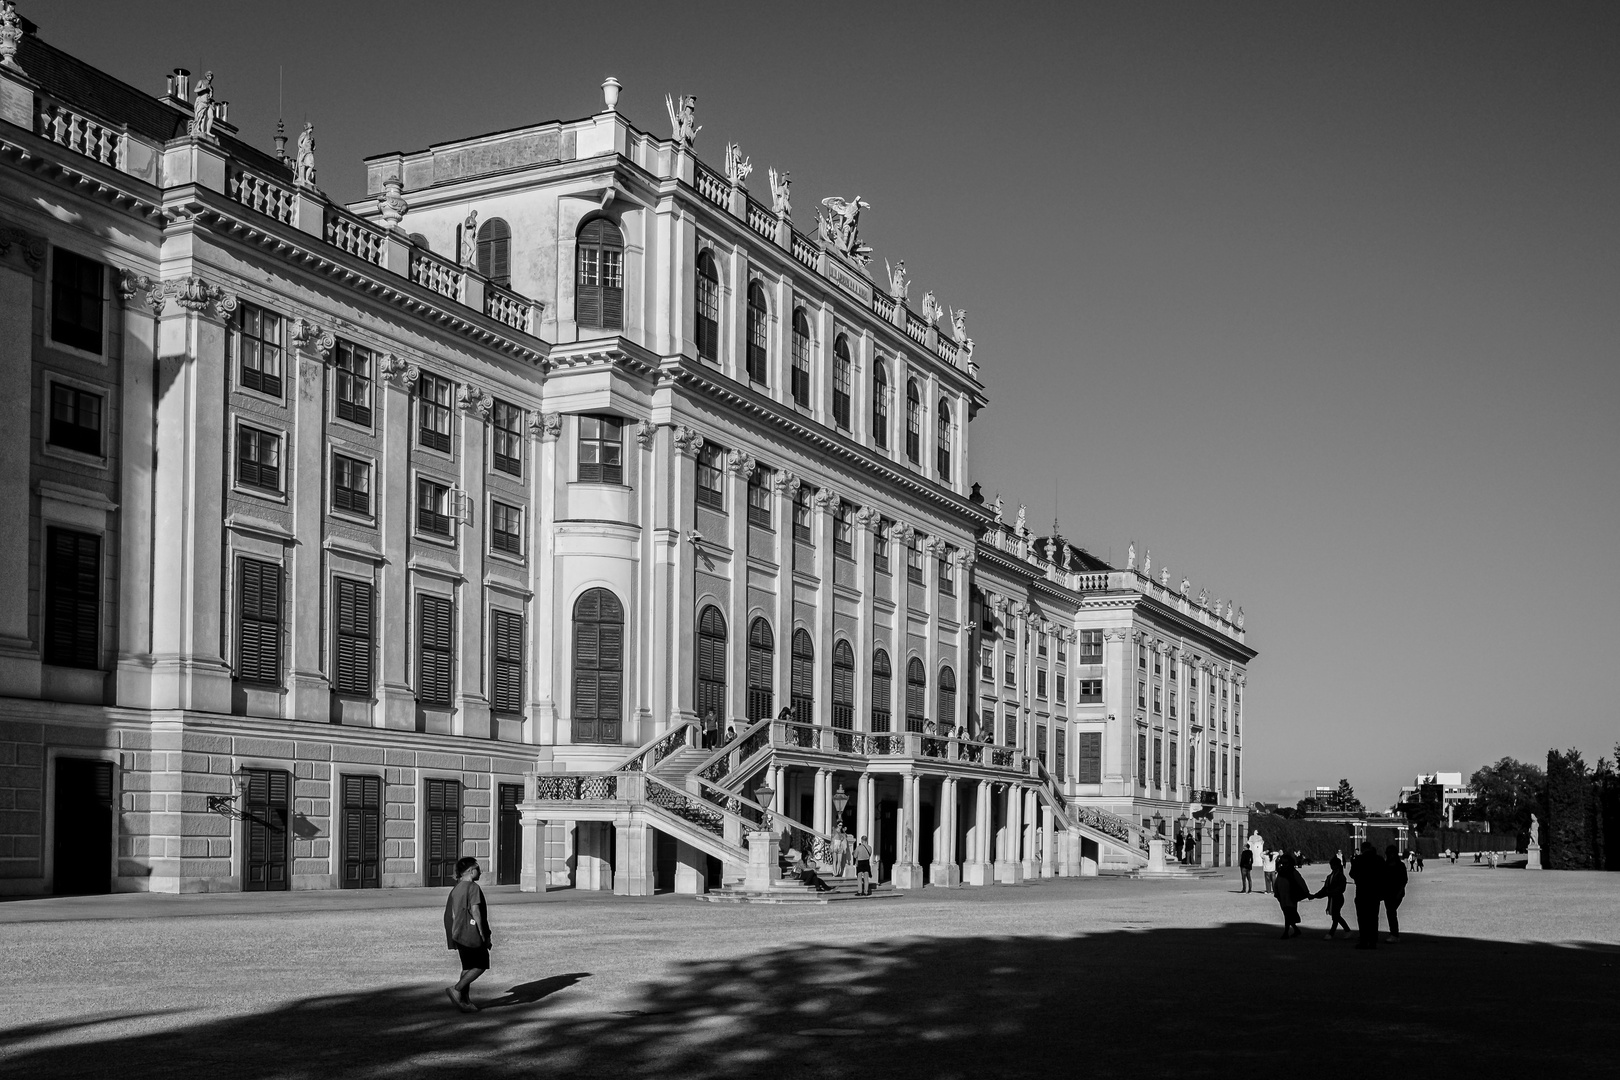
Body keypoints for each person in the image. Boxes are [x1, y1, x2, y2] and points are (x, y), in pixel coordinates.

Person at [443, 856, 491, 1013]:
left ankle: (465, 1001)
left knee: (467, 966)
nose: (480, 871)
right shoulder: (473, 887)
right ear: (471, 870)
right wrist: (484, 933)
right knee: (480, 965)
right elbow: (476, 911)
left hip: (458, 932)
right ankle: (457, 989)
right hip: (471, 933)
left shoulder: (456, 888)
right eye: (478, 868)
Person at [1349, 841, 1383, 950]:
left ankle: (1364, 940)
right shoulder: (1379, 859)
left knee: (1362, 918)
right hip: (1374, 892)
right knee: (1373, 917)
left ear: (1362, 849)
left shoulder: (1358, 859)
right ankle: (1373, 941)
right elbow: (1384, 874)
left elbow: (1352, 874)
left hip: (1362, 892)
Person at [1312, 855, 1352, 938]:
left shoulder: (1339, 876)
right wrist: (1315, 895)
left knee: (1335, 916)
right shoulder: (1330, 876)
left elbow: (1341, 889)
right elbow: (1324, 890)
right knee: (1336, 916)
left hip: (1337, 898)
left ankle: (1332, 933)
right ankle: (1345, 930)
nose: (1331, 867)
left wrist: (1328, 892)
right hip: (1332, 898)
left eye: (1332, 865)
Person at [1273, 853, 1310, 939]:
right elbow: (1277, 883)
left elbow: (1301, 882)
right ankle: (1296, 930)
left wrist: (1307, 893)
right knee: (1287, 914)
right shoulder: (1281, 872)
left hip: (1291, 896)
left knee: (1288, 914)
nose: (1284, 865)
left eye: (1286, 863)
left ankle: (1286, 932)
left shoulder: (1293, 872)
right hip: (1282, 897)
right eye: (1283, 863)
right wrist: (1276, 892)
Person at [1384, 844, 1408, 942]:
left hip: (1396, 892)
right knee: (1390, 912)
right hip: (1388, 892)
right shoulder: (1387, 865)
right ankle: (1393, 932)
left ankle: (1394, 933)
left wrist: (1400, 891)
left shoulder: (1400, 865)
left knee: (1391, 912)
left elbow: (1404, 880)